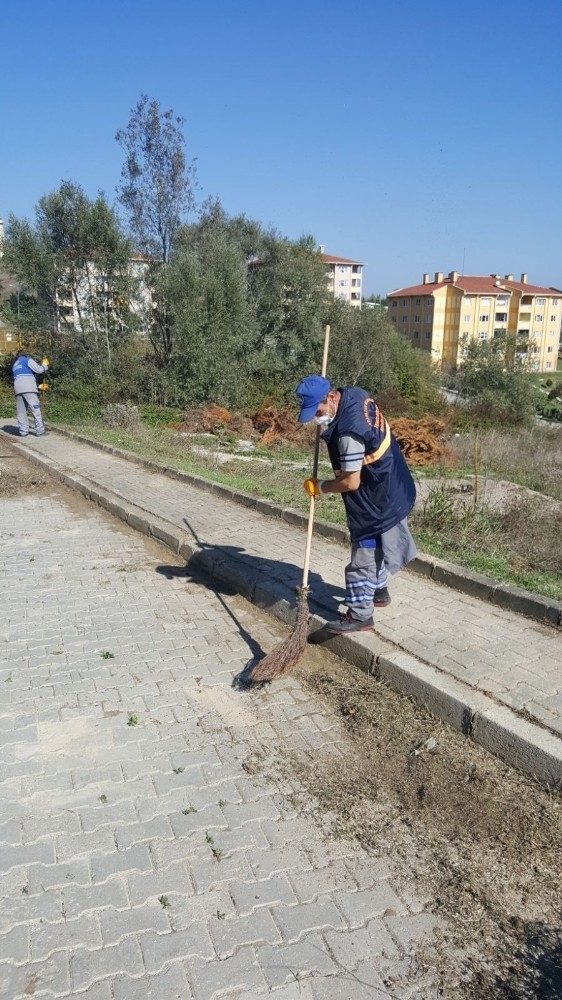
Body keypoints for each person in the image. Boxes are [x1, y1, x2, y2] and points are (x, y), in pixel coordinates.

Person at [296, 374, 417, 634]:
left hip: (376, 496)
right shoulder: (353, 394)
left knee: (363, 556)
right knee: (379, 546)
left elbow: (351, 482)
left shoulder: (349, 432)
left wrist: (321, 487)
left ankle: (361, 615)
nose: (316, 418)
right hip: (392, 481)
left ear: (330, 398)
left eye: (317, 411)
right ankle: (379, 591)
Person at [12, 349, 49, 437]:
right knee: (35, 409)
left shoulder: (15, 364)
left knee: (21, 411)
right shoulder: (27, 360)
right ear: (25, 355)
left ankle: (23, 431)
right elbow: (39, 370)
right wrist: (45, 365)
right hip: (29, 389)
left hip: (18, 389)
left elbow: (22, 376)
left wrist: (38, 387)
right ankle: (40, 430)